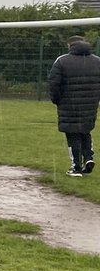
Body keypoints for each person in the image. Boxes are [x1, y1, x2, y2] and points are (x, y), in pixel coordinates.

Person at [48, 34, 100, 177]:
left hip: (68, 104)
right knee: (85, 130)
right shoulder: (97, 61)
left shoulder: (62, 61)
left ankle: (76, 167)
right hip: (90, 105)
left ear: (69, 45)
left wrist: (57, 100)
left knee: (72, 134)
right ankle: (88, 157)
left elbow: (54, 84)